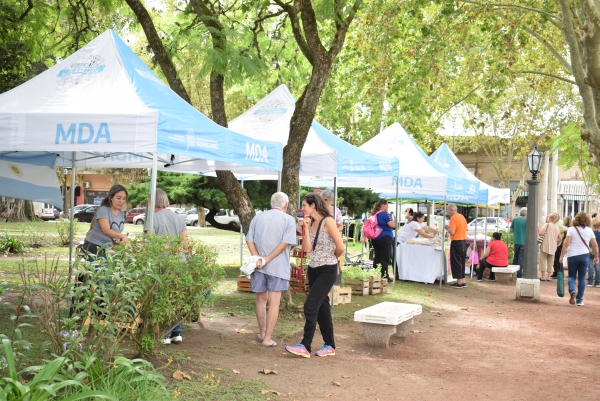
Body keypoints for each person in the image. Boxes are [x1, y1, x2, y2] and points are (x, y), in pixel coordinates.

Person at [286, 193, 344, 358]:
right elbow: (308, 249)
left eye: (304, 205)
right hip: (313, 268)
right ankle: (329, 344)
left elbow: (340, 246)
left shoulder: (329, 221)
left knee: (310, 305)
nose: (303, 208)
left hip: (328, 268)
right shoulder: (311, 223)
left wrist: (332, 256)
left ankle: (305, 345)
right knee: (322, 307)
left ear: (313, 206)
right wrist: (305, 228)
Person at [246, 192, 297, 348]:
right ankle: (267, 338)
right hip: (278, 267)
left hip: (259, 266)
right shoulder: (289, 219)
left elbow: (249, 239)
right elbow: (284, 244)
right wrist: (267, 259)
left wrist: (258, 258)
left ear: (271, 204)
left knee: (261, 299)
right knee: (274, 302)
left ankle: (262, 333)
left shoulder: (258, 217)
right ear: (286, 205)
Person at [144, 188, 189, 345]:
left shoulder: (152, 219)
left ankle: (165, 333)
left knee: (161, 297)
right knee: (176, 296)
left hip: (162, 263)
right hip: (181, 262)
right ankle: (177, 331)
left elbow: (151, 243)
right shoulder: (178, 217)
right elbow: (186, 243)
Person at [559, 212, 599, 306]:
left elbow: (566, 244)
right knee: (581, 278)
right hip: (584, 255)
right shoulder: (589, 230)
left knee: (571, 276)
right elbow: (595, 245)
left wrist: (561, 256)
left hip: (572, 255)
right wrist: (596, 257)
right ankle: (580, 300)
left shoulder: (571, 229)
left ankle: (572, 291)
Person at [81, 184, 130, 257]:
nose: (121, 201)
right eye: (118, 198)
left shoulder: (121, 213)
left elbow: (116, 232)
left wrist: (119, 241)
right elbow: (106, 230)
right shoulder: (103, 210)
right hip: (94, 247)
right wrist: (122, 236)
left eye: (124, 198)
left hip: (108, 249)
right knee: (98, 268)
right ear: (111, 198)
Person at [370, 200, 396, 282]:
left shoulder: (374, 214)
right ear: (383, 205)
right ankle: (385, 276)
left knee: (377, 257)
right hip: (385, 237)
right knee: (385, 258)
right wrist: (394, 219)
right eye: (387, 205)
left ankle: (375, 275)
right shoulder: (385, 214)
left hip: (375, 238)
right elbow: (393, 225)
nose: (388, 207)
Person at [445, 203, 467, 288]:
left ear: (452, 210)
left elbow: (452, 232)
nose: (447, 211)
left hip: (456, 241)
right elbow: (466, 228)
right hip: (463, 241)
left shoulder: (453, 218)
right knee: (461, 261)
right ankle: (462, 280)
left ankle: (459, 282)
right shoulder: (461, 217)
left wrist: (447, 228)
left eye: (448, 209)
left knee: (456, 261)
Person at [538, 213, 562, 281]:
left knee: (543, 261)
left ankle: (543, 276)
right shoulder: (557, 227)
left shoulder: (547, 225)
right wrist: (556, 243)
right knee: (550, 262)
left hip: (545, 245)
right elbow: (560, 238)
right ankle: (548, 277)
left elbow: (540, 233)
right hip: (553, 247)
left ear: (549, 218)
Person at [510, 207, 527, 279]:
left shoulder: (515, 219)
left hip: (516, 241)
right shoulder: (527, 220)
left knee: (515, 257)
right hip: (524, 241)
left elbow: (511, 230)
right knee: (521, 258)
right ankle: (519, 274)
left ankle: (513, 273)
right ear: (526, 213)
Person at [587, 218, 600, 287]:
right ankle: (597, 282)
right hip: (599, 252)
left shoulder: (591, 233)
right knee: (598, 267)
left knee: (590, 267)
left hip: (590, 251)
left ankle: (590, 282)